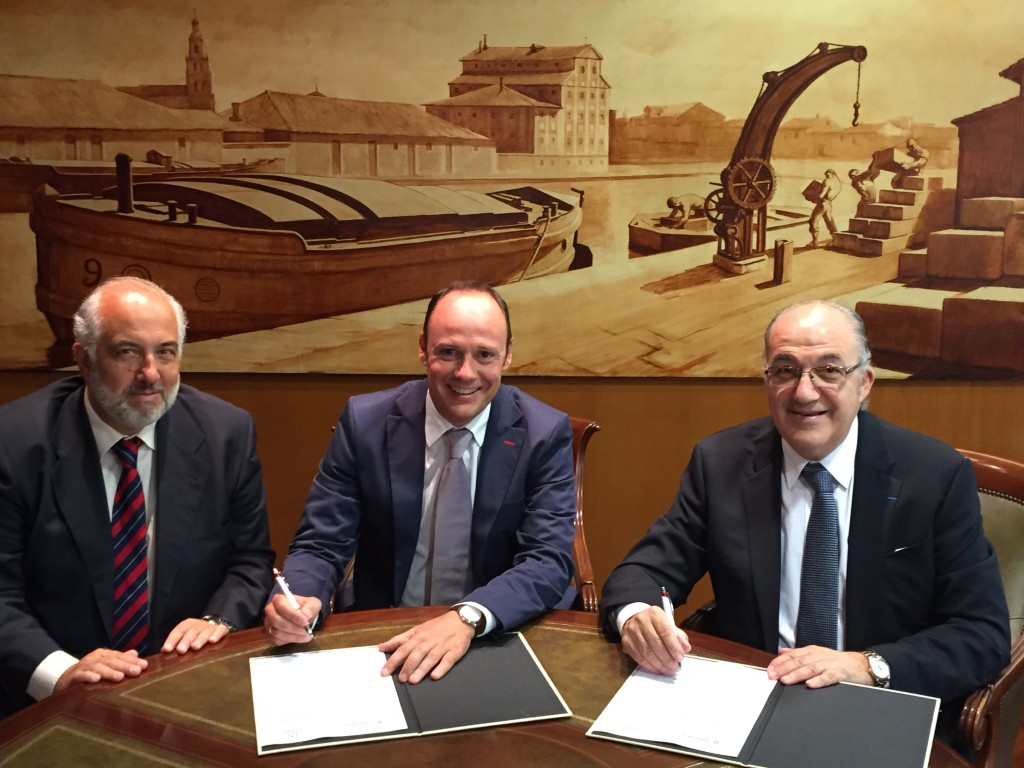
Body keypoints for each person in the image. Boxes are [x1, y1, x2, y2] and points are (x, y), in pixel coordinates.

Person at [599, 300, 1010, 747]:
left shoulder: (934, 476)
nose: (804, 392)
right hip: (749, 702)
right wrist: (637, 616)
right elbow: (644, 572)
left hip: (879, 707)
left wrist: (866, 665)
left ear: (864, 382)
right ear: (767, 380)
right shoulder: (721, 464)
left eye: (829, 370)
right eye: (786, 370)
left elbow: (981, 633)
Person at [264, 280, 576, 685]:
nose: (465, 373)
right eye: (448, 352)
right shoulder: (365, 422)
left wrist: (467, 617)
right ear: (423, 349)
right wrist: (298, 601)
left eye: (484, 355)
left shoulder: (544, 433)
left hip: (492, 630)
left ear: (508, 355)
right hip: (386, 629)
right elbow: (321, 542)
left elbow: (547, 560)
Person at [0, 276, 275, 718]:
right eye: (127, 352)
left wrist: (216, 620)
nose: (150, 374)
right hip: (49, 701)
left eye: (165, 352)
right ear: (83, 359)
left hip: (186, 686)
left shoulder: (226, 433)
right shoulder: (14, 443)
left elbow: (250, 560)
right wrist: (60, 672)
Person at [808, 168, 841, 247]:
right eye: (826, 175)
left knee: (813, 221)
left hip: (822, 204)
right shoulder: (838, 183)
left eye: (828, 175)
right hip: (829, 204)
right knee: (830, 222)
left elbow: (821, 195)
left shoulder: (827, 181)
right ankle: (836, 240)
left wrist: (811, 197)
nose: (827, 176)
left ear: (832, 174)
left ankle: (815, 242)